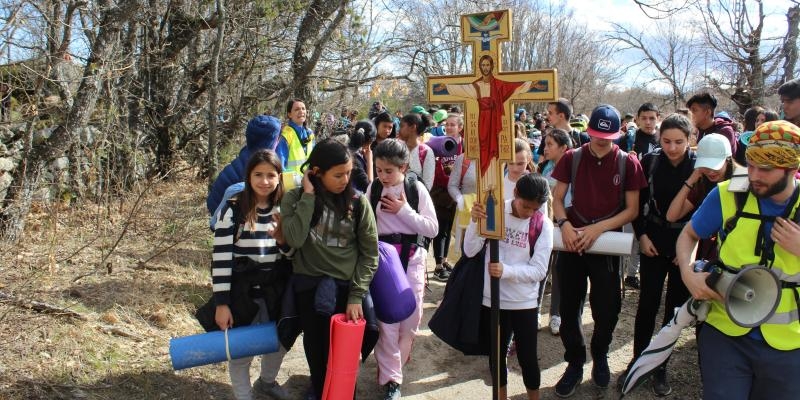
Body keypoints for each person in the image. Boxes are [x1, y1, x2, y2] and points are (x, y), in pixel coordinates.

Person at [675, 120, 800, 400]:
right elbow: (688, 234)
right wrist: (687, 273)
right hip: (726, 332)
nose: (753, 175)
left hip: (790, 344)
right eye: (751, 165)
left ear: (792, 168)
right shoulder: (728, 193)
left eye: (765, 169)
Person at [551, 105, 647, 398]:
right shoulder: (572, 157)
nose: (601, 141)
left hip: (606, 244)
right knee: (569, 308)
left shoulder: (628, 163)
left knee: (607, 308)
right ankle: (575, 362)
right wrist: (565, 224)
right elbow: (557, 198)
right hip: (572, 240)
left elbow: (632, 209)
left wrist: (598, 229)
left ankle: (600, 354)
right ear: (588, 132)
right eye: (596, 135)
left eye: (608, 136)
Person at [279, 139, 379, 400]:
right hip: (309, 288)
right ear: (316, 172)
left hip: (346, 291)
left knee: (345, 356)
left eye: (348, 173)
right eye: (338, 175)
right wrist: (308, 196)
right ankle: (320, 389)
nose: (345, 180)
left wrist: (356, 295)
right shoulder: (295, 198)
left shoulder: (358, 203)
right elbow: (295, 239)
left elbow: (370, 254)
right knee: (316, 350)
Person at [622, 114, 696, 396]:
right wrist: (641, 235)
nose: (672, 148)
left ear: (689, 139)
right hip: (653, 240)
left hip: (683, 243)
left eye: (679, 142)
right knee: (647, 304)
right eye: (666, 141)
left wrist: (689, 247)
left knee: (674, 310)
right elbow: (637, 205)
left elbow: (705, 209)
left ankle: (661, 366)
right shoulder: (651, 162)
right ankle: (638, 361)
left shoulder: (698, 166)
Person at [465, 173, 554, 400]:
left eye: (535, 208)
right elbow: (470, 250)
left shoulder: (542, 224)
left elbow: (539, 270)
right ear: (515, 194)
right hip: (493, 298)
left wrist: (506, 271)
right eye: (525, 206)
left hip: (523, 302)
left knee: (528, 357)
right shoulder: (493, 211)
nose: (529, 213)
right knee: (496, 355)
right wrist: (475, 222)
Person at [211, 149, 291, 400]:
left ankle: (266, 382)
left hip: (274, 290)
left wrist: (283, 241)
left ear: (279, 177)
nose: (264, 181)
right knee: (241, 350)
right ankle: (244, 396)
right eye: (258, 174)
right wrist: (222, 303)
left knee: (279, 343)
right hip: (242, 291)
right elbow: (221, 258)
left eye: (271, 175)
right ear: (248, 176)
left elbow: (292, 255)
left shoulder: (285, 209)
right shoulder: (234, 209)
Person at [369, 139, 438, 399]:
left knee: (410, 322)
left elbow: (432, 228)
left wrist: (403, 210)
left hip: (413, 260)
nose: (383, 176)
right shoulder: (374, 188)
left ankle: (395, 363)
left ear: (404, 167)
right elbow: (364, 224)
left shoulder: (415, 189)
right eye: (379, 170)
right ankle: (392, 380)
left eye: (389, 171)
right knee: (387, 323)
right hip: (385, 265)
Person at [445, 55, 533, 177]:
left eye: (487, 65)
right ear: (480, 67)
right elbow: (461, 89)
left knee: (495, 149)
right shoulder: (476, 85)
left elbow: (514, 87)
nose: (485, 68)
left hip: (495, 122)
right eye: (483, 65)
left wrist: (530, 84)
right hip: (482, 123)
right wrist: (445, 87)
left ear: (492, 66)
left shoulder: (499, 85)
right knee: (483, 149)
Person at [666, 133, 739, 262]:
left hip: (733, 257)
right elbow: (672, 216)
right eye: (706, 166)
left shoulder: (741, 183)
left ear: (728, 159)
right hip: (706, 258)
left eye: (715, 166)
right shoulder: (702, 183)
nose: (710, 172)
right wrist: (691, 180)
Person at [207, 115, 283, 221]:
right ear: (272, 142)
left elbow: (212, 202)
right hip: (230, 223)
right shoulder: (254, 168)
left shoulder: (242, 160)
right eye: (277, 138)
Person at [538, 128, 572, 335]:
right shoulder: (544, 167)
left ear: (563, 147)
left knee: (559, 270)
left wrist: (564, 220)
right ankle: (534, 310)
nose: (545, 148)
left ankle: (556, 314)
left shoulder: (574, 168)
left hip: (563, 225)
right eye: (545, 144)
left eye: (550, 144)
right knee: (541, 266)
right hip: (544, 224)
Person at [432, 113, 464, 280]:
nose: (449, 127)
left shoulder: (463, 145)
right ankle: (438, 264)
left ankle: (445, 260)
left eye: (453, 124)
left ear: (460, 127)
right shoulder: (440, 142)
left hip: (458, 193)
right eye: (447, 124)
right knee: (441, 228)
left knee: (450, 228)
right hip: (442, 193)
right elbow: (437, 169)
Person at [447, 145, 477, 265]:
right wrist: (460, 199)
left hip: (489, 215)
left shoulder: (497, 159)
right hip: (466, 214)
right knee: (465, 254)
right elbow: (452, 185)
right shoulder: (463, 159)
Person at [686, 92, 737, 157]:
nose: (690, 114)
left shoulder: (724, 131)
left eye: (694, 110)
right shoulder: (697, 130)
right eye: (689, 111)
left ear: (707, 112)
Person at [277, 99, 315, 178]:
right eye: (297, 109)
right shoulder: (286, 135)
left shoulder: (310, 133)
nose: (301, 111)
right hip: (291, 183)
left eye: (303, 109)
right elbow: (280, 165)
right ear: (289, 114)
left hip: (309, 180)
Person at [397, 113, 435, 190]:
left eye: (401, 126)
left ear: (413, 127)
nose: (398, 130)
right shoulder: (396, 147)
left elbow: (427, 185)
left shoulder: (426, 152)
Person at [348, 120, 376, 193]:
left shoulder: (345, 148)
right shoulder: (355, 159)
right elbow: (369, 189)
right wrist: (370, 162)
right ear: (370, 142)